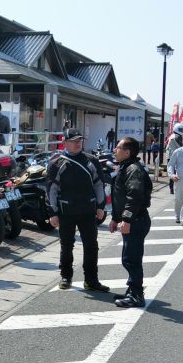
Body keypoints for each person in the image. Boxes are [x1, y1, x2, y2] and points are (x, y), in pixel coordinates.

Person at [46, 128, 109, 292]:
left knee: (91, 246)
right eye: (73, 141)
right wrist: (52, 213)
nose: (77, 143)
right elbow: (51, 190)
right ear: (64, 142)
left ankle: (91, 280)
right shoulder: (56, 163)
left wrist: (101, 207)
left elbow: (99, 184)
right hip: (66, 211)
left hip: (88, 210)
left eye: (79, 140)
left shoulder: (91, 160)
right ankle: (66, 276)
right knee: (66, 245)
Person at [110, 137, 153, 308]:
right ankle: (132, 291)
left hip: (136, 220)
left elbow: (134, 196)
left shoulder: (133, 169)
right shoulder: (126, 167)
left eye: (118, 147)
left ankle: (136, 295)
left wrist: (126, 219)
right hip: (133, 220)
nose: (114, 150)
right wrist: (115, 218)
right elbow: (120, 196)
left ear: (127, 152)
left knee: (131, 259)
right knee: (129, 257)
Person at [165, 123, 183, 194]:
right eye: (181, 130)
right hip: (172, 157)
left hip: (173, 156)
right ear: (177, 129)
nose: (182, 131)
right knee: (173, 172)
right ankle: (172, 188)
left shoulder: (174, 136)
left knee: (173, 172)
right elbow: (182, 146)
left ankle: (172, 188)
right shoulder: (176, 137)